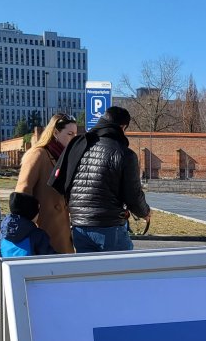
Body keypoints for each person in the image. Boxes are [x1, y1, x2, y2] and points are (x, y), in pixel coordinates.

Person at [59, 106, 152, 252]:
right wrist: (145, 212)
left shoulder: (80, 145)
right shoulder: (124, 154)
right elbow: (133, 195)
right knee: (122, 272)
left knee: (91, 273)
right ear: (122, 127)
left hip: (79, 226)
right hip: (109, 226)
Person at [14, 114, 76, 253]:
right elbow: (22, 191)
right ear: (55, 132)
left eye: (75, 134)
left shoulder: (65, 157)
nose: (74, 138)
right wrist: (31, 220)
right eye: (70, 134)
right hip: (43, 227)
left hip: (63, 228)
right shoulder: (38, 154)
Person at [0, 191, 57, 258]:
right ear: (31, 214)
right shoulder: (38, 235)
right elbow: (49, 257)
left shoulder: (2, 235)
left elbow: (0, 254)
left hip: (9, 268)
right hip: (32, 268)